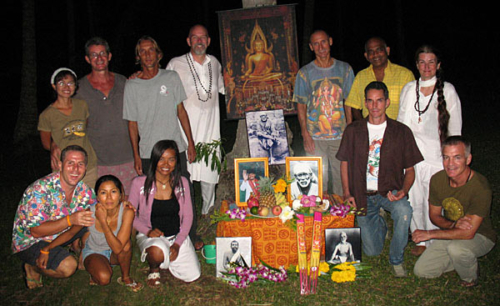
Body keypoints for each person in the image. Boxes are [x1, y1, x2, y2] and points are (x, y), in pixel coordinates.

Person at [336, 81, 423, 277]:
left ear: (387, 102)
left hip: (389, 192)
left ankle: (396, 259)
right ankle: (381, 224)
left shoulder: (401, 131)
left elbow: (410, 170)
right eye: (370, 101)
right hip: (363, 195)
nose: (375, 106)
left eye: (379, 101)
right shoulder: (353, 130)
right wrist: (347, 193)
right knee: (372, 251)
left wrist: (404, 191)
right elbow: (344, 163)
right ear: (365, 103)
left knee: (404, 210)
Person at [123, 36, 203, 249]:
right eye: (142, 51)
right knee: (151, 196)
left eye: (151, 50)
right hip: (149, 151)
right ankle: (152, 235)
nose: (147, 54)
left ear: (159, 54)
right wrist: (136, 155)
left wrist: (191, 143)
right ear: (138, 56)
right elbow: (132, 124)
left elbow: (181, 112)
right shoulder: (132, 86)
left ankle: (190, 236)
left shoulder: (171, 77)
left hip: (176, 149)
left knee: (184, 193)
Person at [397, 45, 462, 256]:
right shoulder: (409, 89)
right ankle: (419, 238)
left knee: (433, 201)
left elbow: (455, 129)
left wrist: (451, 159)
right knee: (414, 197)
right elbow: (401, 124)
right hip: (413, 157)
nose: (426, 66)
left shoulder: (448, 90)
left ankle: (434, 238)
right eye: (422, 62)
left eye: (431, 62)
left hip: (436, 156)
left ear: (438, 65)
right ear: (416, 65)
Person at [413, 136, 496, 287]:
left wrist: (429, 234)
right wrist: (453, 225)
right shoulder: (438, 179)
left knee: (456, 249)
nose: (450, 164)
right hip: (453, 231)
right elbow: (434, 215)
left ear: (468, 159)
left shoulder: (480, 188)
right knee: (422, 271)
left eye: (457, 158)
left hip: (480, 235)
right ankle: (461, 260)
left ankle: (470, 278)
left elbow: (468, 233)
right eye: (446, 157)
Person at [12, 145, 96, 289]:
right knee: (68, 267)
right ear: (60, 165)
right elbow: (36, 231)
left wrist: (125, 206)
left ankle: (83, 252)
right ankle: (32, 267)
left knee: (94, 217)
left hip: (60, 235)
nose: (75, 169)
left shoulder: (84, 191)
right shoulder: (40, 190)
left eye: (80, 164)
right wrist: (70, 220)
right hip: (32, 241)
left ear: (85, 168)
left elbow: (99, 211)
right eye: (70, 163)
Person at [166, 25, 225, 217]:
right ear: (188, 41)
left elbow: (225, 89)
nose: (199, 41)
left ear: (208, 41)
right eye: (195, 37)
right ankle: (185, 220)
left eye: (203, 38)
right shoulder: (175, 64)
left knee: (210, 179)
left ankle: (208, 217)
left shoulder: (215, 63)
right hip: (185, 134)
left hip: (210, 134)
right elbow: (162, 90)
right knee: (184, 181)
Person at [128, 140, 201, 288]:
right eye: (161, 159)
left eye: (171, 159)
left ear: (176, 162)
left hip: (176, 236)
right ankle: (154, 269)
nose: (166, 164)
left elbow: (188, 217)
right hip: (150, 236)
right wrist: (147, 231)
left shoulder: (182, 183)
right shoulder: (139, 183)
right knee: (156, 251)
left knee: (193, 275)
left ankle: (167, 258)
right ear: (154, 160)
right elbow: (130, 215)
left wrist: (178, 244)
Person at [293, 30, 354, 196]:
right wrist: (305, 134)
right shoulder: (305, 73)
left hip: (340, 135)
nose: (321, 47)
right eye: (316, 44)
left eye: (324, 42)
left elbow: (349, 101)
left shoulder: (344, 69)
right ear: (311, 47)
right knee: (317, 181)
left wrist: (349, 128)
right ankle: (320, 216)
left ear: (330, 42)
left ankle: (342, 216)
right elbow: (301, 105)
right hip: (315, 136)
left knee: (342, 179)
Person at [74, 37, 135, 195]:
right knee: (101, 207)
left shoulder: (124, 82)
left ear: (109, 56)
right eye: (94, 55)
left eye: (102, 54)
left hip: (128, 157)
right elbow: (68, 120)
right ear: (87, 59)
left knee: (128, 205)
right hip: (97, 161)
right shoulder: (79, 89)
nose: (99, 58)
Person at [81, 175, 143, 292]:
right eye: (103, 193)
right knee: (104, 279)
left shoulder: (127, 211)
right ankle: (94, 267)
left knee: (126, 245)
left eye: (113, 191)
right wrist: (48, 248)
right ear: (97, 197)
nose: (109, 197)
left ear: (120, 195)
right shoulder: (91, 212)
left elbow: (118, 249)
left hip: (114, 253)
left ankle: (125, 277)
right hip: (95, 251)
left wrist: (103, 222)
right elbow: (71, 232)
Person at [38, 68, 98, 188]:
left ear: (75, 86)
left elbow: (84, 127)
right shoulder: (47, 114)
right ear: (54, 86)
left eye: (70, 83)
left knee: (88, 202)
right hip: (64, 167)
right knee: (66, 203)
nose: (66, 87)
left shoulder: (82, 105)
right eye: (61, 83)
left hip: (87, 164)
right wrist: (54, 145)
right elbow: (46, 143)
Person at [345, 37, 414, 123]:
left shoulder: (405, 75)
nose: (375, 54)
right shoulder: (361, 76)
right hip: (369, 132)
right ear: (366, 56)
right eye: (371, 52)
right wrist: (363, 126)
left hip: (397, 131)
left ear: (387, 50)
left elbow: (412, 107)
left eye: (379, 50)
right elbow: (354, 106)